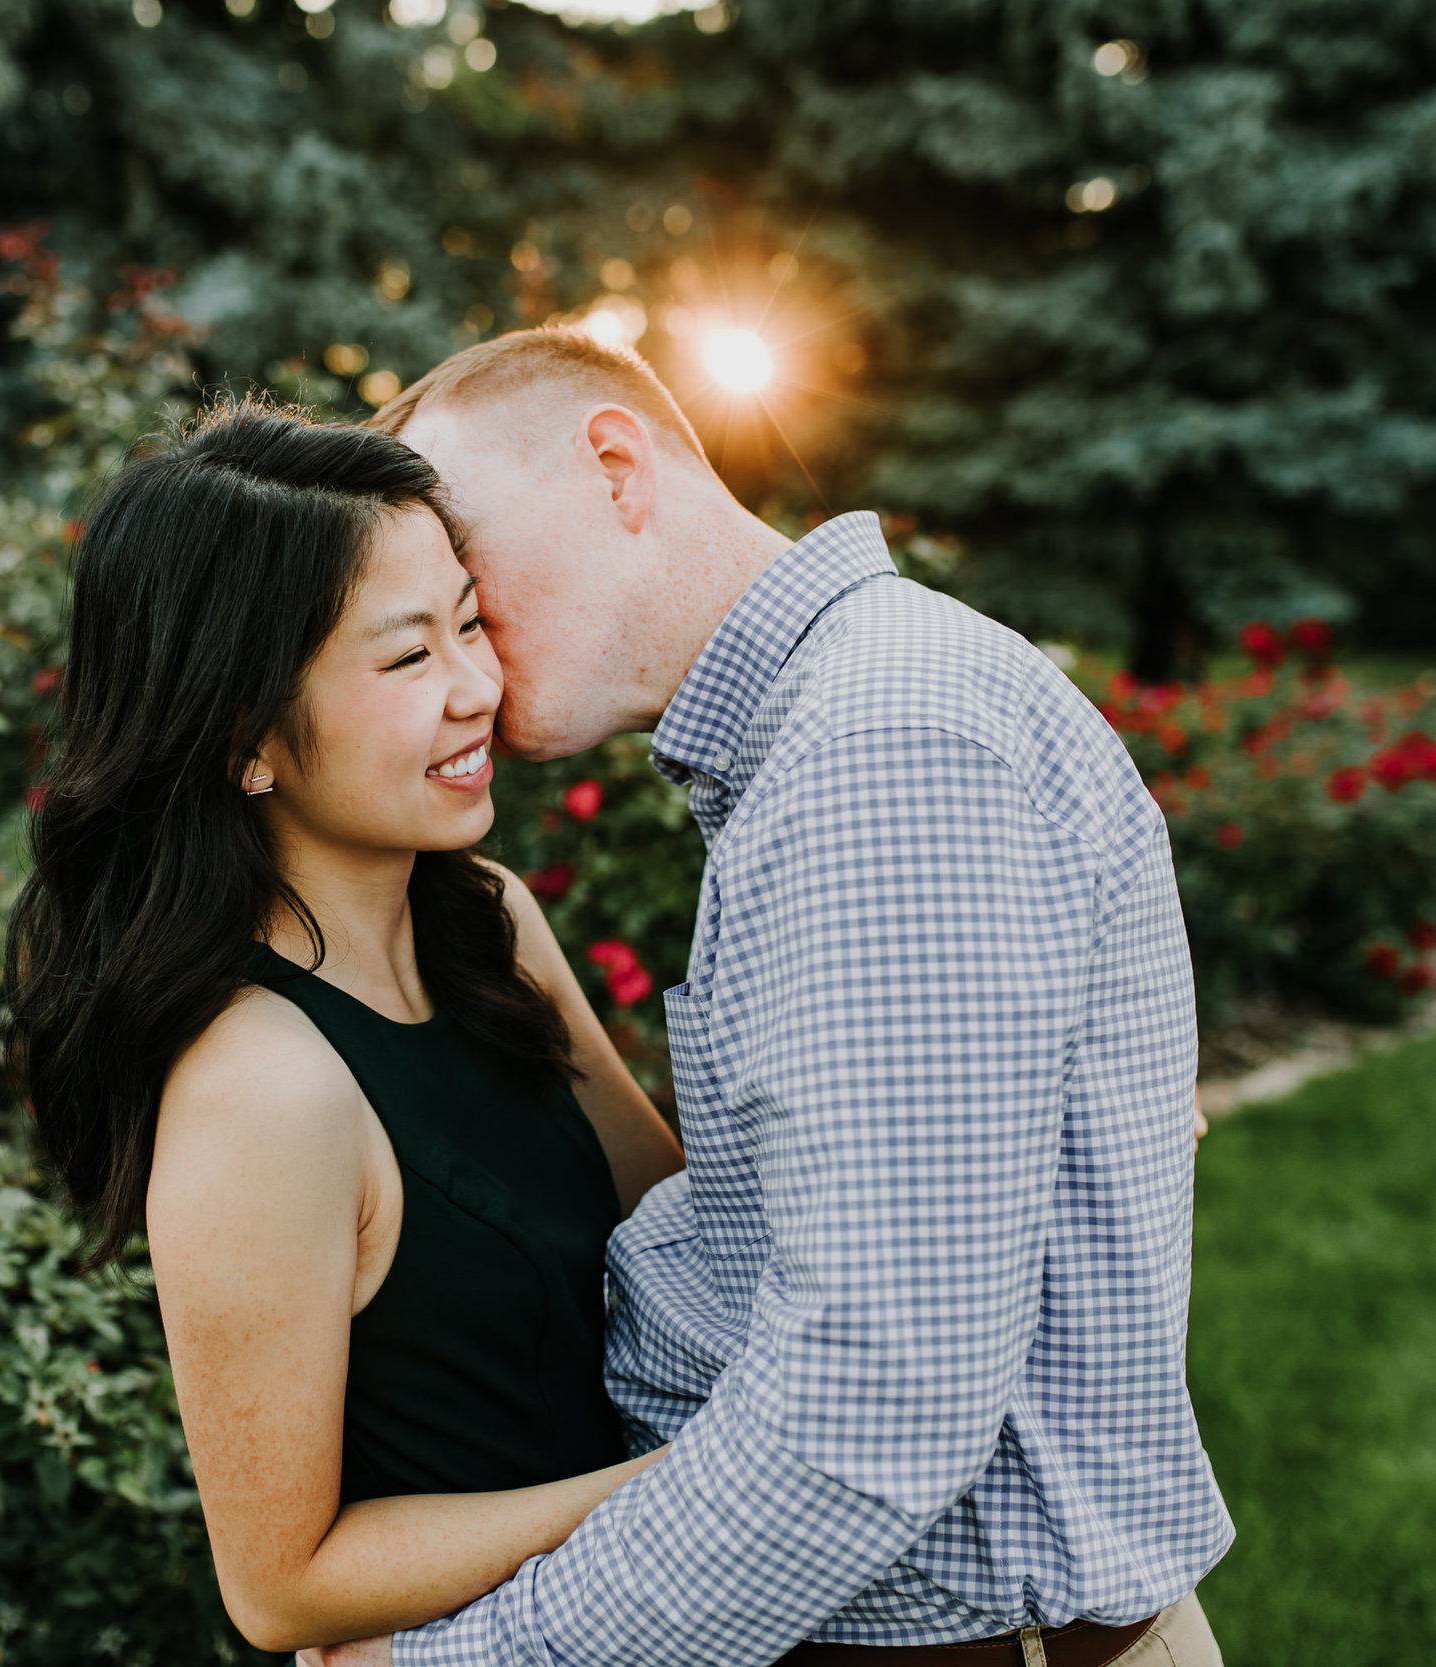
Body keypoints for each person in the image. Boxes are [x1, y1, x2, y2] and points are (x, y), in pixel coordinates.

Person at [297, 328, 1236, 1667]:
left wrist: (468, 1658)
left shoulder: (878, 750)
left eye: (465, 568)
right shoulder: (839, 722)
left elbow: (869, 1415)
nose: (469, 659)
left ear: (617, 467)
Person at [4, 403, 685, 1657]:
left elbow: (681, 1225)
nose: (479, 688)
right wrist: (684, 1494)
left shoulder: (489, 924)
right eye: (406, 658)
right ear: (245, 739)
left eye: (469, 622)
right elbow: (282, 1582)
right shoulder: (263, 1087)